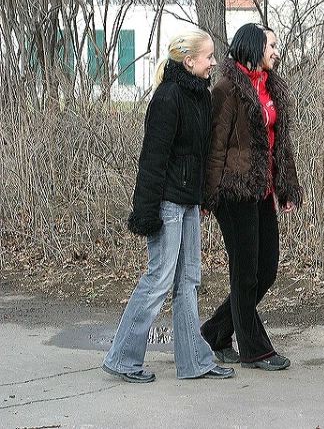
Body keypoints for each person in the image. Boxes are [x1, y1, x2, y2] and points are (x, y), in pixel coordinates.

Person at [102, 29, 234, 383]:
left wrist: (203, 198)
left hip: (188, 204)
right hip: (166, 204)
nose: (213, 62)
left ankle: (194, 361)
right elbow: (152, 160)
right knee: (159, 279)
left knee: (189, 279)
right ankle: (123, 358)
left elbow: (200, 155)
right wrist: (146, 212)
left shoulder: (199, 97)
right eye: (208, 56)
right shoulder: (168, 97)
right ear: (188, 61)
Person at [200, 23, 303, 371]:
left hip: (261, 191)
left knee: (266, 270)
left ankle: (214, 333)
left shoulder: (270, 86)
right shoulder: (227, 89)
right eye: (271, 45)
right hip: (233, 192)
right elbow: (213, 148)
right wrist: (207, 197)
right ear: (253, 46)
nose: (277, 51)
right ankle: (255, 349)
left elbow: (280, 145)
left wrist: (285, 187)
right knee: (245, 274)